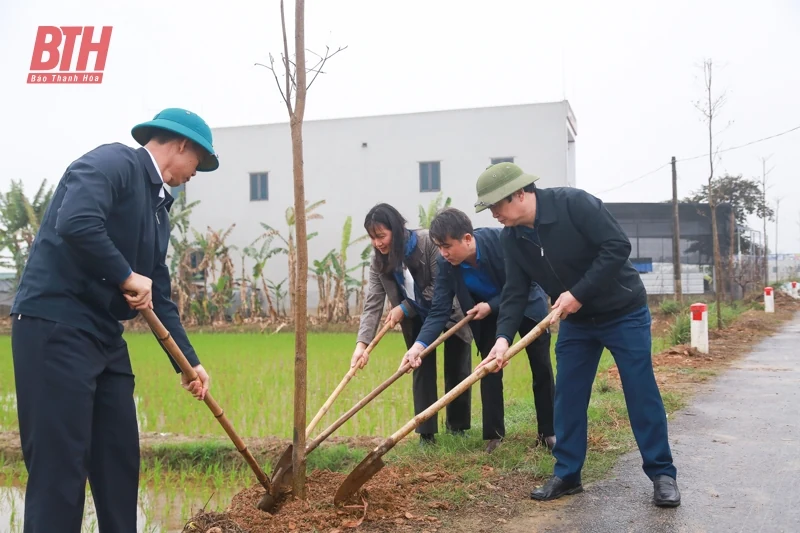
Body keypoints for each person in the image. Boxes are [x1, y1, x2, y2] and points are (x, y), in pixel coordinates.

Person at [10, 108, 220, 532]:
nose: (196, 174)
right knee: (60, 468)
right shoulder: (114, 164)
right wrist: (125, 274)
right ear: (181, 145)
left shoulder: (159, 211)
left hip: (102, 335)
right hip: (55, 325)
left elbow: (156, 292)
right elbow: (76, 221)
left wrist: (187, 362)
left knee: (118, 459)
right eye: (199, 162)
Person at [474, 162, 680, 507]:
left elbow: (616, 247)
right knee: (567, 395)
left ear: (520, 194)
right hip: (577, 323)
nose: (494, 214)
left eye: (497, 205)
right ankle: (568, 473)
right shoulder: (513, 237)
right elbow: (514, 290)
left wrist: (579, 293)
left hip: (623, 312)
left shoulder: (575, 204)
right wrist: (502, 339)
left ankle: (662, 473)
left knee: (640, 390)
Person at [400, 207, 556, 454]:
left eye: (447, 246)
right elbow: (439, 311)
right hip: (487, 316)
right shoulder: (446, 263)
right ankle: (494, 435)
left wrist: (491, 304)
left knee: (541, 367)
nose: (443, 253)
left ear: (468, 239)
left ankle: (548, 432)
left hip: (526, 304)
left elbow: (525, 283)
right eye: (439, 247)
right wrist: (418, 347)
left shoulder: (500, 242)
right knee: (489, 368)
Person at [351, 203, 473, 444]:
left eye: (381, 236)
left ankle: (457, 429)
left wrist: (403, 307)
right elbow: (373, 303)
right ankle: (426, 433)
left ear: (395, 230)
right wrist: (361, 345)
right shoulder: (378, 262)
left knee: (457, 367)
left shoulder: (429, 243)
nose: (378, 243)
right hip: (416, 319)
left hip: (449, 311)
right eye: (372, 238)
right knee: (419, 368)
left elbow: (440, 288)